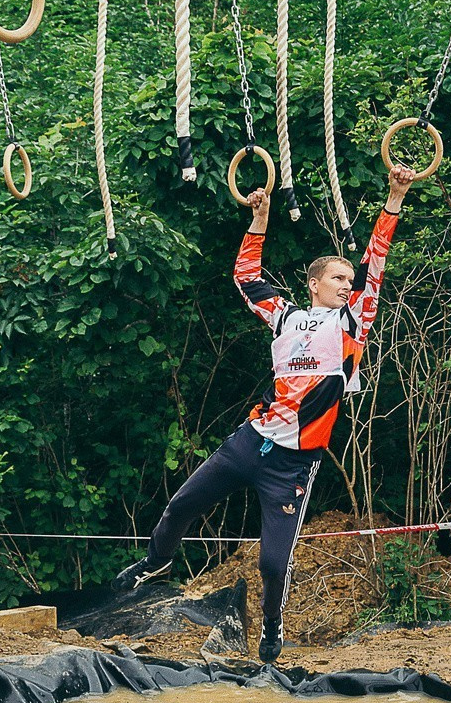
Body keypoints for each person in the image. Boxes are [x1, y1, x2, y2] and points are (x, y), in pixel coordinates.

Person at [112, 165, 419, 663]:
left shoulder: (354, 319)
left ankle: (272, 626)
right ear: (314, 283)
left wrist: (395, 195)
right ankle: (155, 562)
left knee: (273, 564)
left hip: (294, 463)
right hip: (251, 441)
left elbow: (376, 259)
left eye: (350, 279)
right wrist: (261, 216)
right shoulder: (285, 315)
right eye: (338, 278)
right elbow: (246, 277)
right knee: (180, 506)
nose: (348, 284)